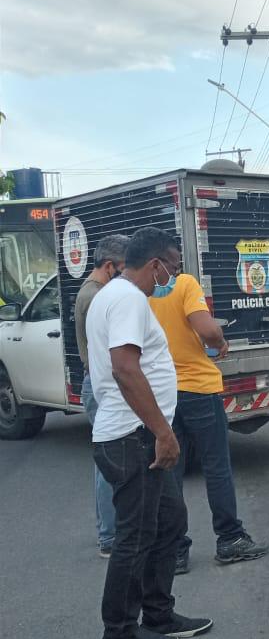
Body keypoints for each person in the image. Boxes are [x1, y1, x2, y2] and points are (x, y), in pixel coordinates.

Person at [87, 227, 210, 639]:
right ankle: (119, 632)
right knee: (135, 536)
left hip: (137, 434)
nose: (173, 276)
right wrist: (162, 431)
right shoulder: (126, 299)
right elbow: (125, 368)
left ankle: (158, 614)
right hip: (132, 436)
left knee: (170, 522)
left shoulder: (121, 297)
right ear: (156, 264)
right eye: (172, 267)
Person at [150, 271, 269, 575]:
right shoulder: (185, 284)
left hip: (163, 392)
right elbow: (208, 329)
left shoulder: (141, 292)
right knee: (216, 466)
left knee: (170, 470)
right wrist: (220, 342)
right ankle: (230, 539)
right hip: (199, 390)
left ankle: (174, 550)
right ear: (168, 259)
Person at [75, 233, 131, 558]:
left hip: (97, 383)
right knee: (108, 462)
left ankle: (111, 532)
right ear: (109, 266)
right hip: (99, 385)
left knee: (109, 459)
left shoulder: (92, 290)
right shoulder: (96, 296)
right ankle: (110, 536)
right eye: (123, 268)